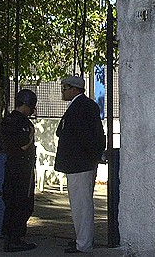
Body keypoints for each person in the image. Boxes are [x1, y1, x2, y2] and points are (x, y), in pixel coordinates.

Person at [55, 75, 106, 254]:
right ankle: (82, 239)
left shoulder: (79, 108)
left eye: (65, 88)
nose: (63, 92)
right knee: (81, 204)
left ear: (74, 89)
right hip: (84, 162)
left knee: (81, 205)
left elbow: (82, 135)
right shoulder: (85, 106)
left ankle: (83, 244)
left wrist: (90, 156)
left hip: (79, 163)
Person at [0, 89, 38, 252]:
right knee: (23, 203)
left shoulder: (6, 120)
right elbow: (24, 145)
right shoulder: (22, 123)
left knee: (10, 201)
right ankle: (16, 238)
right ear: (27, 105)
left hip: (11, 165)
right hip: (23, 167)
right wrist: (31, 135)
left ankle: (9, 236)